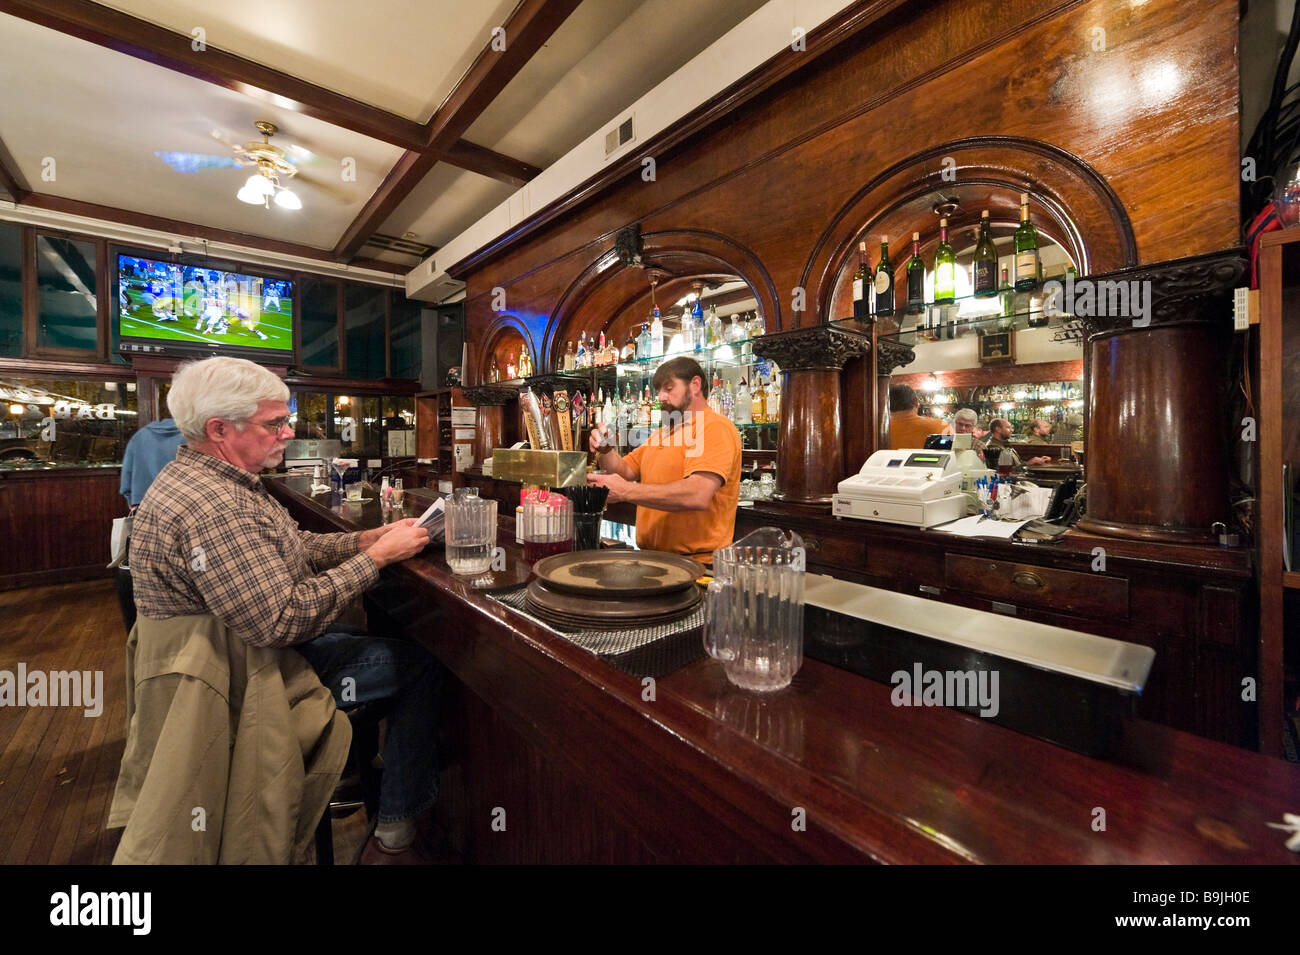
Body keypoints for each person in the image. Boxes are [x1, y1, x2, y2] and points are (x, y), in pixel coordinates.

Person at [128, 356, 442, 864]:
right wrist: (376, 559)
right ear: (219, 430)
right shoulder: (216, 506)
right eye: (275, 423)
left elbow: (290, 546)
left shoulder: (215, 480)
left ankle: (362, 769)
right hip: (244, 681)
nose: (289, 431)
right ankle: (395, 824)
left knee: (383, 643)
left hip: (232, 654)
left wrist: (365, 538)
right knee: (419, 667)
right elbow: (279, 621)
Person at [586, 356, 741, 564]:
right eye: (659, 390)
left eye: (668, 389)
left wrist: (626, 491)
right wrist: (605, 449)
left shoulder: (714, 427)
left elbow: (698, 494)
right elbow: (624, 471)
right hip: (655, 558)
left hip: (698, 564)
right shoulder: (663, 433)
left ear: (695, 385)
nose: (660, 397)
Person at [887, 383, 946, 450]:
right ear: (916, 402)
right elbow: (955, 456)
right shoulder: (942, 426)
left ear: (888, 404)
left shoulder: (877, 431)